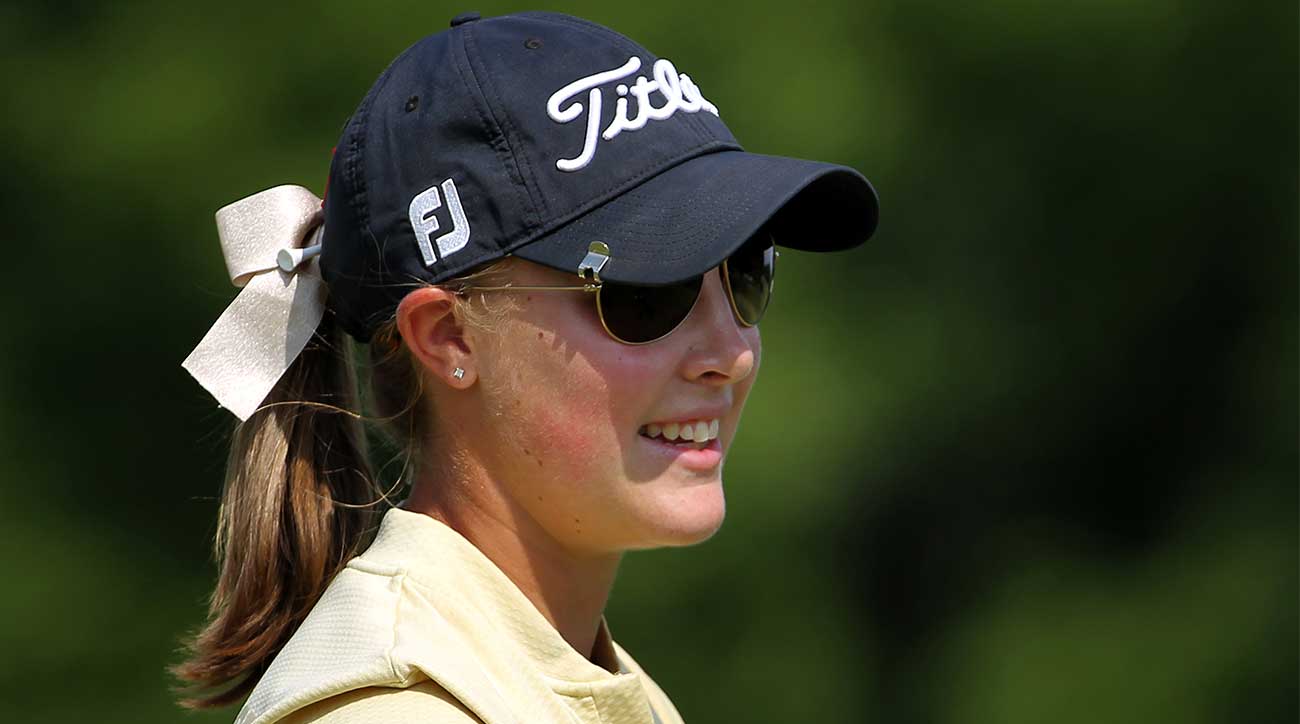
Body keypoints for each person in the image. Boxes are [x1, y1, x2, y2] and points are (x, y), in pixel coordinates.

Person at [172, 9, 878, 724]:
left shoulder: (580, 683)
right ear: (450, 337)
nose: (731, 353)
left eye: (746, 271)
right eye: (645, 294)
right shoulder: (397, 710)